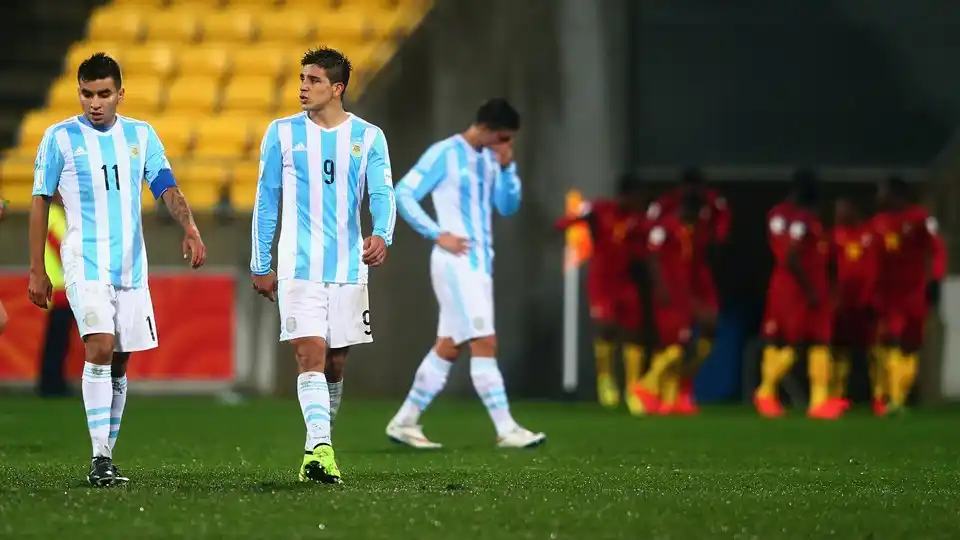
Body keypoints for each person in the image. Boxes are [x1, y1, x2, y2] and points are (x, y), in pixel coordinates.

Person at [28, 53, 207, 487]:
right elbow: (40, 201)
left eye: (104, 93)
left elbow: (166, 186)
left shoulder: (141, 136)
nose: (95, 102)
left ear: (119, 95)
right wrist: (37, 268)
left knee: (121, 362)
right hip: (84, 261)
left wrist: (190, 226)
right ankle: (98, 456)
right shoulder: (59, 138)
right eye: (87, 93)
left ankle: (107, 456)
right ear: (79, 93)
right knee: (100, 348)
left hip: (130, 265)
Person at [251, 47, 395, 484]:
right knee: (308, 354)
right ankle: (320, 450)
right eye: (301, 79)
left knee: (334, 364)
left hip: (349, 268)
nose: (302, 88)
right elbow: (266, 200)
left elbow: (384, 194)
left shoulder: (369, 137)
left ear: (337, 88)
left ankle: (318, 447)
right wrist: (261, 261)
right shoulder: (281, 133)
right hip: (298, 266)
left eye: (312, 81)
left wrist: (382, 235)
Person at [385, 98, 545, 449]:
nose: (507, 145)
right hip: (455, 263)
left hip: (479, 264)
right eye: (504, 137)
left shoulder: (492, 159)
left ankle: (404, 420)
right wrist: (436, 233)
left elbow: (507, 206)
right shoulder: (444, 153)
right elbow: (404, 193)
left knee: (449, 346)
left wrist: (507, 169)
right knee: (484, 340)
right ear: (487, 129)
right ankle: (506, 429)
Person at [554, 173, 648, 413]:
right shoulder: (600, 209)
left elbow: (645, 249)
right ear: (625, 195)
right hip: (602, 279)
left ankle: (633, 388)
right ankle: (605, 381)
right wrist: (576, 221)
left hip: (626, 280)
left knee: (633, 332)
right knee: (606, 327)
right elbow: (565, 223)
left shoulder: (639, 219)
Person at [646, 168, 729, 413]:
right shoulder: (666, 222)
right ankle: (649, 386)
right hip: (674, 286)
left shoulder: (705, 217)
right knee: (679, 341)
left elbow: (719, 241)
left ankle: (680, 391)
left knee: (707, 334)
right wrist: (661, 285)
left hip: (698, 282)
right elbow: (652, 254)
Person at [871, 176, 940, 415]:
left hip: (913, 292)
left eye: (882, 191)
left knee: (909, 344)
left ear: (895, 194)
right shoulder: (878, 223)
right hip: (888, 295)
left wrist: (935, 280)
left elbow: (936, 248)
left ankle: (898, 398)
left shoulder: (920, 218)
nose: (878, 197)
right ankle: (884, 396)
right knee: (887, 341)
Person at [630, 191, 701, 414]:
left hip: (680, 295)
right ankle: (644, 386)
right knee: (679, 346)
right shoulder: (664, 228)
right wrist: (660, 287)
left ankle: (668, 400)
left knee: (672, 345)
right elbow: (652, 257)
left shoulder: (684, 230)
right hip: (668, 295)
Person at [830, 198, 879, 414]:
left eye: (842, 210)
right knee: (840, 350)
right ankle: (835, 397)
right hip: (843, 304)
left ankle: (880, 399)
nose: (838, 215)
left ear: (853, 210)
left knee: (874, 351)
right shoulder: (834, 236)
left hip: (868, 303)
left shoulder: (871, 234)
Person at [37, 194, 75, 397]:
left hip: (61, 287)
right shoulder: (53, 216)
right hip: (60, 287)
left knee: (57, 338)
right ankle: (51, 383)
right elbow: (63, 248)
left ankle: (52, 381)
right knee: (57, 339)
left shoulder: (52, 215)